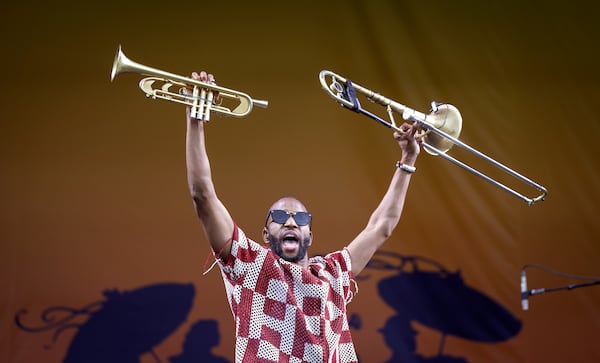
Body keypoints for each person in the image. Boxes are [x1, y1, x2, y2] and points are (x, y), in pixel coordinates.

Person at [185, 71, 421, 363]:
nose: (291, 221)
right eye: (280, 216)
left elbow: (380, 226)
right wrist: (196, 118)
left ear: (310, 235)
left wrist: (407, 161)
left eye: (300, 218)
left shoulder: (333, 274)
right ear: (265, 234)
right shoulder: (251, 265)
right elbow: (203, 197)